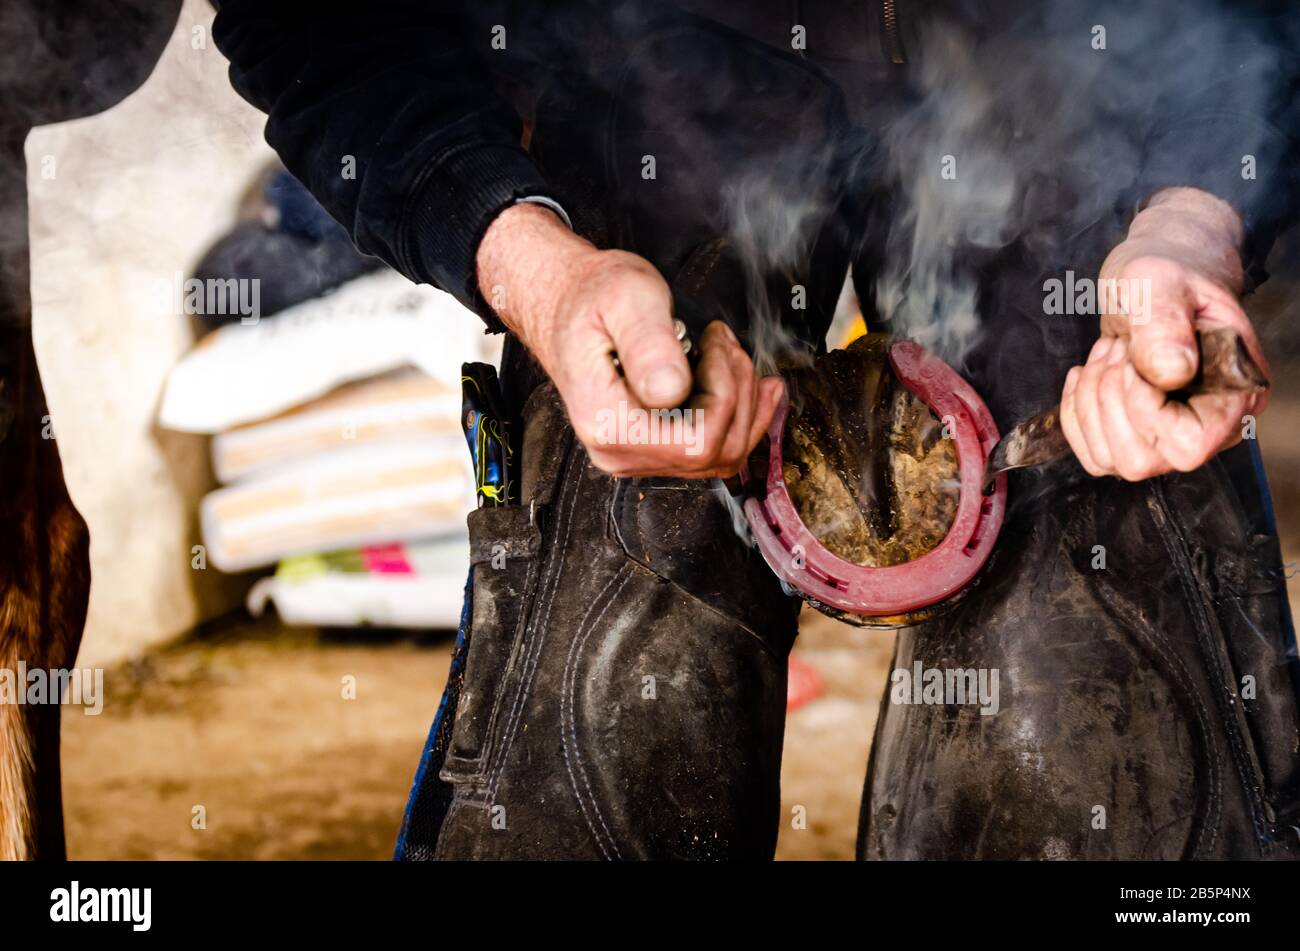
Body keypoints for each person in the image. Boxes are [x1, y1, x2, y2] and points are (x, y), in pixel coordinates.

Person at [214, 0, 1300, 859]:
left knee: (1110, 696)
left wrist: (1193, 217)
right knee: (620, 674)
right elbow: (317, 19)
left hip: (1068, 81)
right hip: (653, 71)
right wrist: (534, 266)